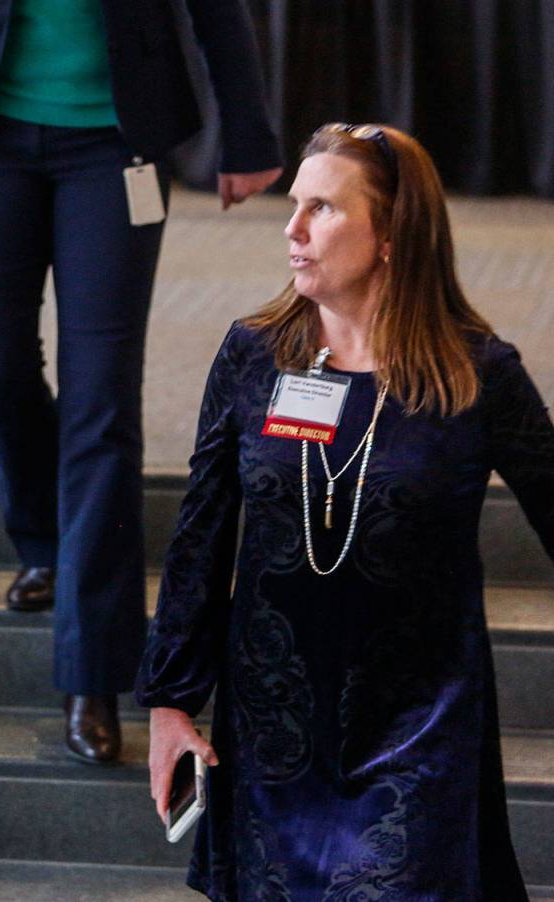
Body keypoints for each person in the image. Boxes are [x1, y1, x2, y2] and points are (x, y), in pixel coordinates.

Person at [0, 0, 282, 763]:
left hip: (117, 142)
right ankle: (44, 537)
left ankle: (94, 675)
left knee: (101, 403)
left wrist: (245, 129)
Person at [137, 123, 554, 899]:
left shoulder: (475, 376)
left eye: (321, 209)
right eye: (294, 205)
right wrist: (171, 699)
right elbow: (201, 534)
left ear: (392, 233)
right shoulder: (255, 355)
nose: (291, 231)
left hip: (417, 726)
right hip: (272, 729)